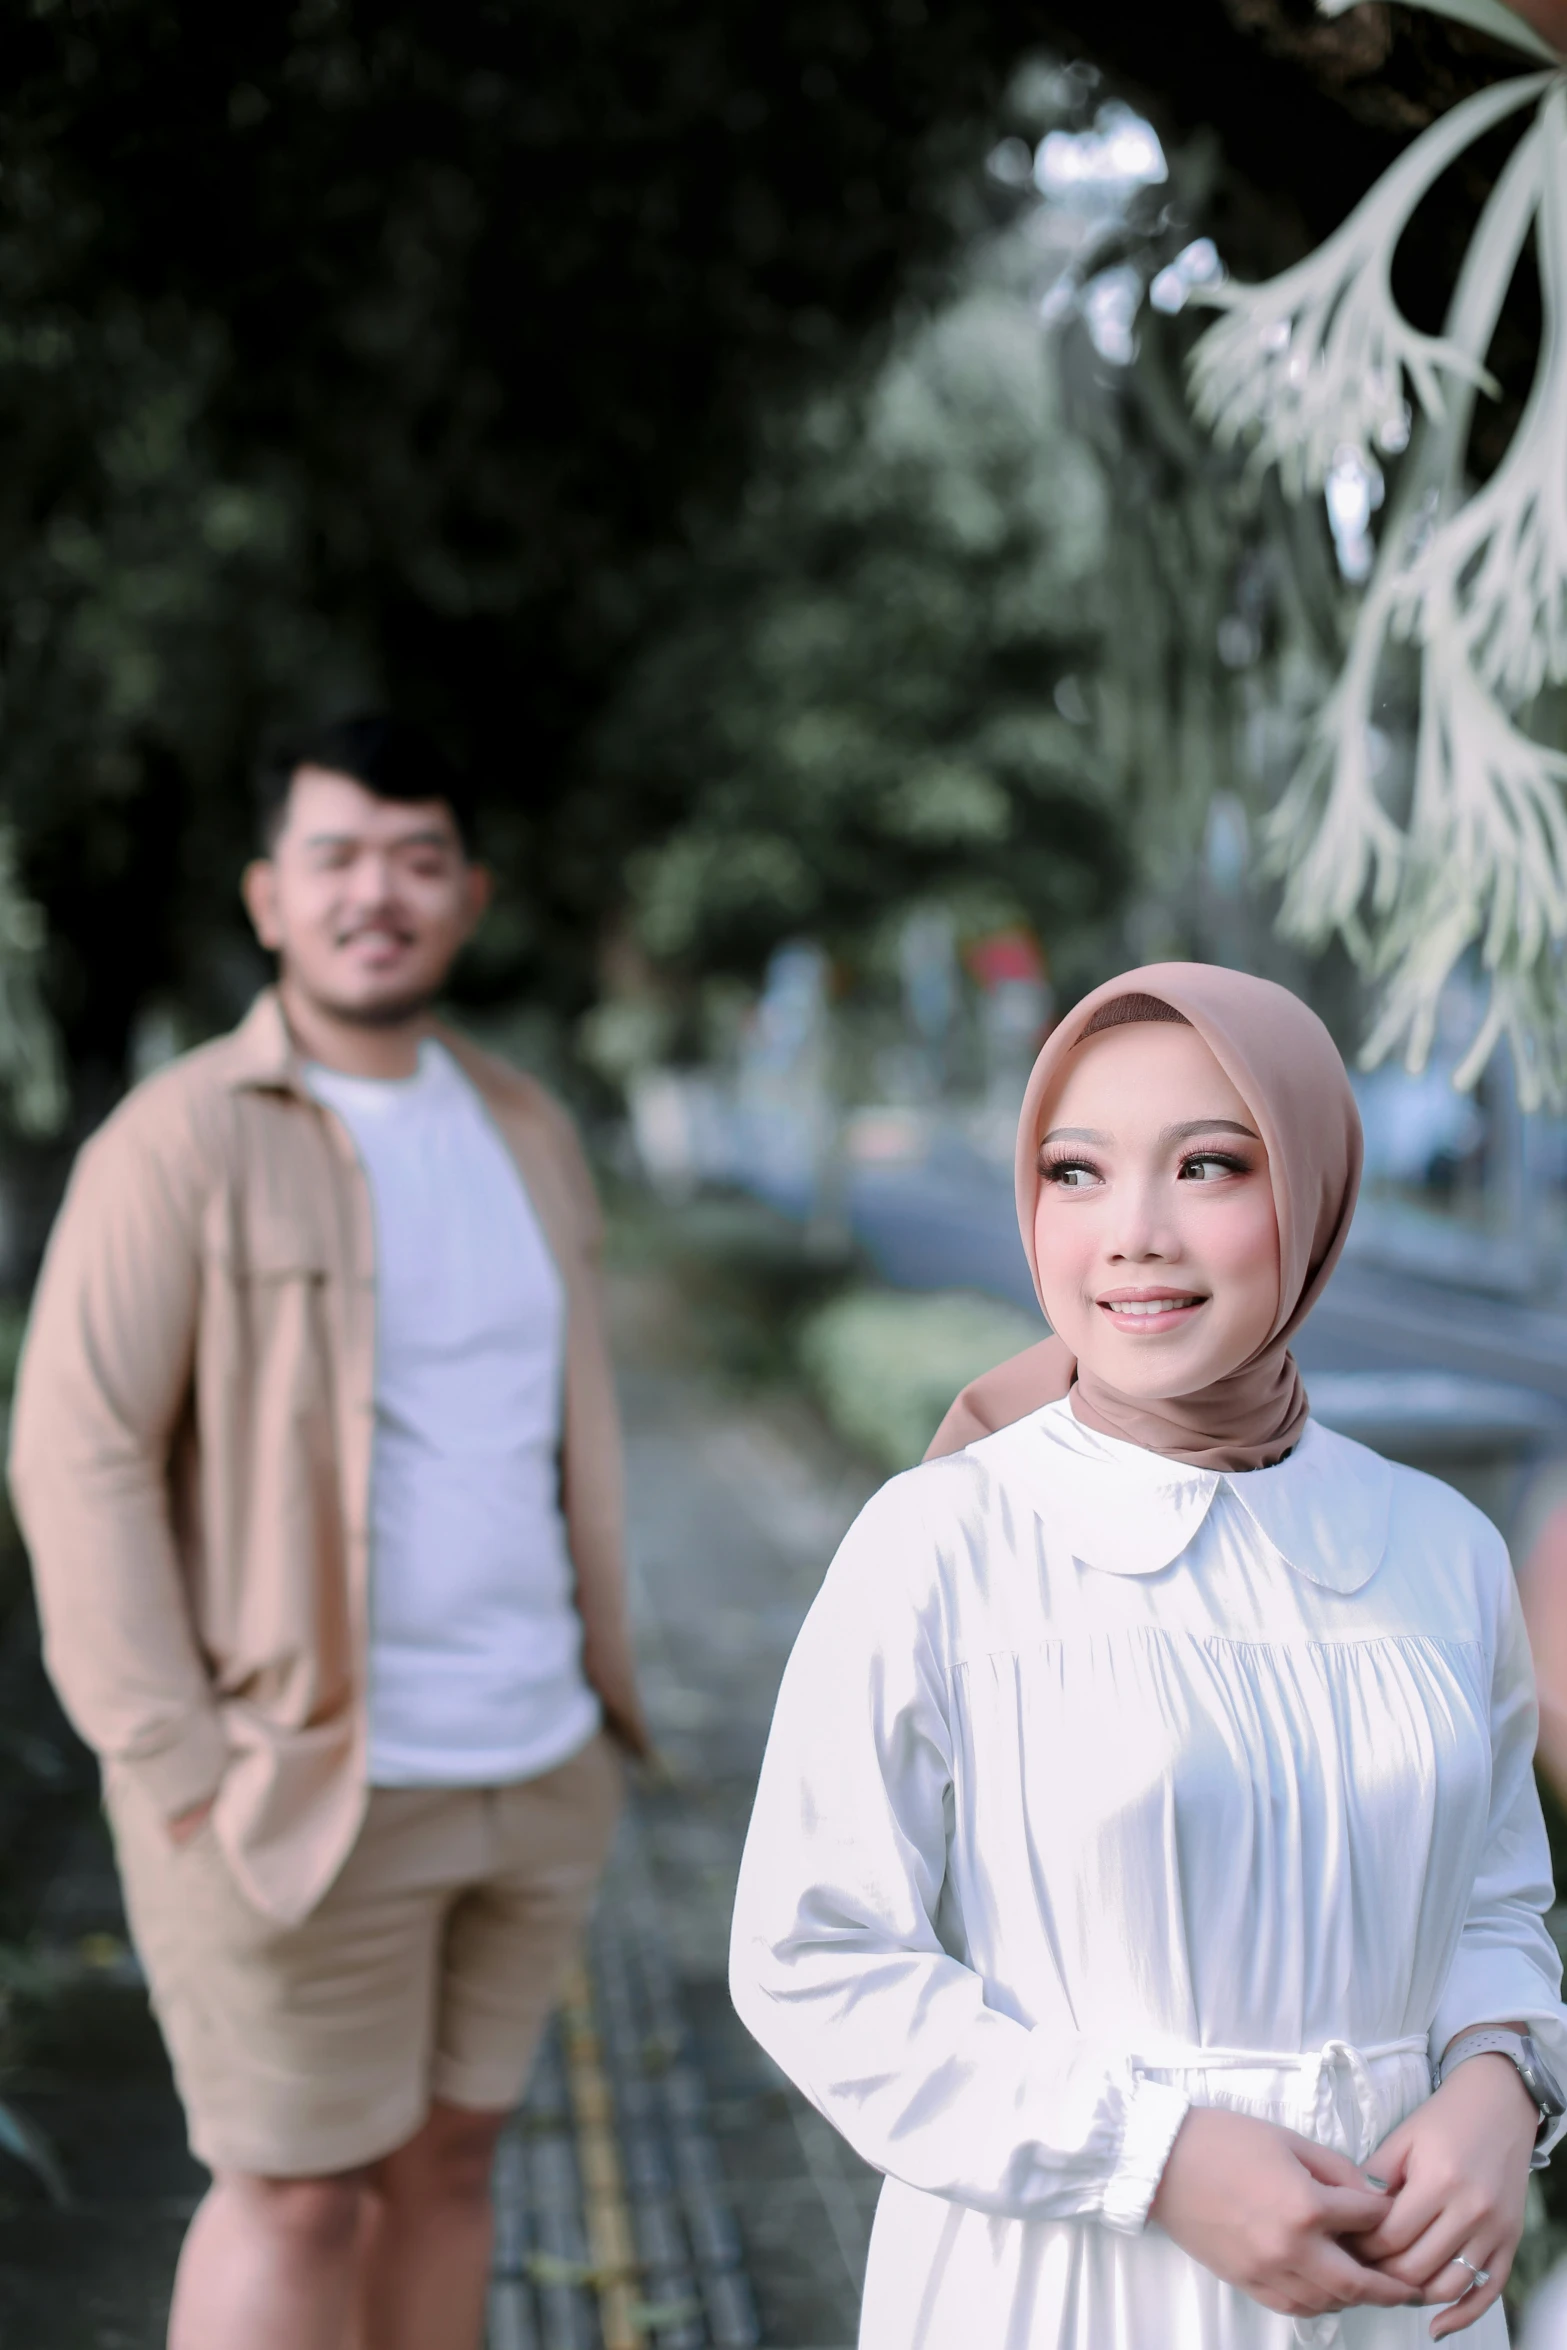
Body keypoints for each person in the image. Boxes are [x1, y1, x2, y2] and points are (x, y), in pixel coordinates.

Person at [729, 963, 1567, 2347]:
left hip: (1393, 2291)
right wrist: (1152, 2154)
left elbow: (1490, 1901)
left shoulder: (1437, 1545)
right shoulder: (943, 1540)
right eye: (1075, 1170)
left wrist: (1497, 2082)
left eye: (1208, 1165)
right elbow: (815, 1954)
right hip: (1063, 2279)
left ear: (1312, 1193)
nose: (1132, 1231)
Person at [9, 713, 649, 2350]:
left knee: (450, 2162)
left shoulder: (524, 1126)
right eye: (337, 857)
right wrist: (174, 1766)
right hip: (291, 1784)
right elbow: (75, 1451)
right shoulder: (184, 1138)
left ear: (469, 894)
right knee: (293, 2192)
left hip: (532, 1762)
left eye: (418, 859)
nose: (380, 892)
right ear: (267, 898)